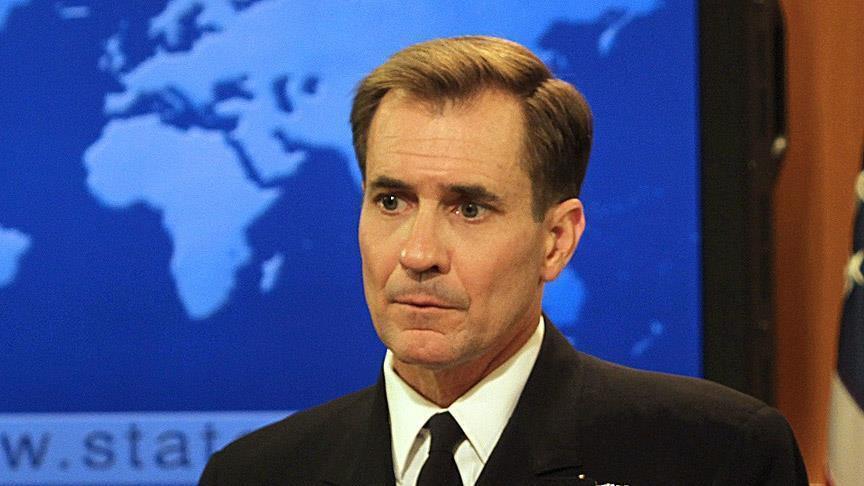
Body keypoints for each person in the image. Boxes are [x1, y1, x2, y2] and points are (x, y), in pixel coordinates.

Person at [199, 36, 808, 485]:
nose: (417, 253)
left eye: (469, 209)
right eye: (391, 201)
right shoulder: (254, 474)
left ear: (556, 241)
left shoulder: (718, 457)